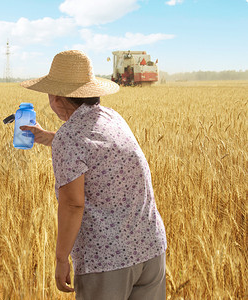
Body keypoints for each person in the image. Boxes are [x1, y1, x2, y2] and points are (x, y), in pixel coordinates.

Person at [20, 50, 167, 299]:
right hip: (150, 247)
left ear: (55, 96)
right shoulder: (112, 117)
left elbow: (73, 204)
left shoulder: (70, 137)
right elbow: (98, 153)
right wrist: (49, 138)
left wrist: (61, 258)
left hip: (108, 260)